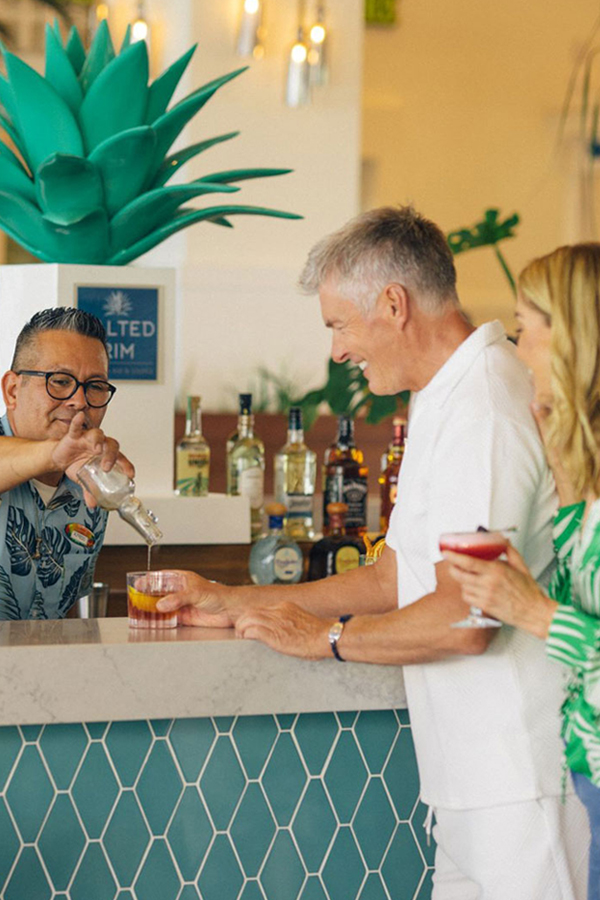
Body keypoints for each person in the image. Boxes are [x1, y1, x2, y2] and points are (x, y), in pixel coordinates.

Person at [158, 207, 589, 899]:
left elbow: (466, 617)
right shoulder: (443, 396)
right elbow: (395, 575)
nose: (336, 351)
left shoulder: (483, 406)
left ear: (394, 304)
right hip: (468, 783)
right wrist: (237, 599)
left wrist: (328, 638)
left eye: (339, 325)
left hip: (519, 780)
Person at [443, 243, 600, 900]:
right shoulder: (583, 474)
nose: (517, 349)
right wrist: (566, 480)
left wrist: (532, 610)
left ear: (571, 337)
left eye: (524, 329)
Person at [0, 307, 133, 620]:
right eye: (60, 381)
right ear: (13, 390)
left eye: (95, 386)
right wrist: (55, 454)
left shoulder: (93, 482)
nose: (80, 401)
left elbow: (70, 608)